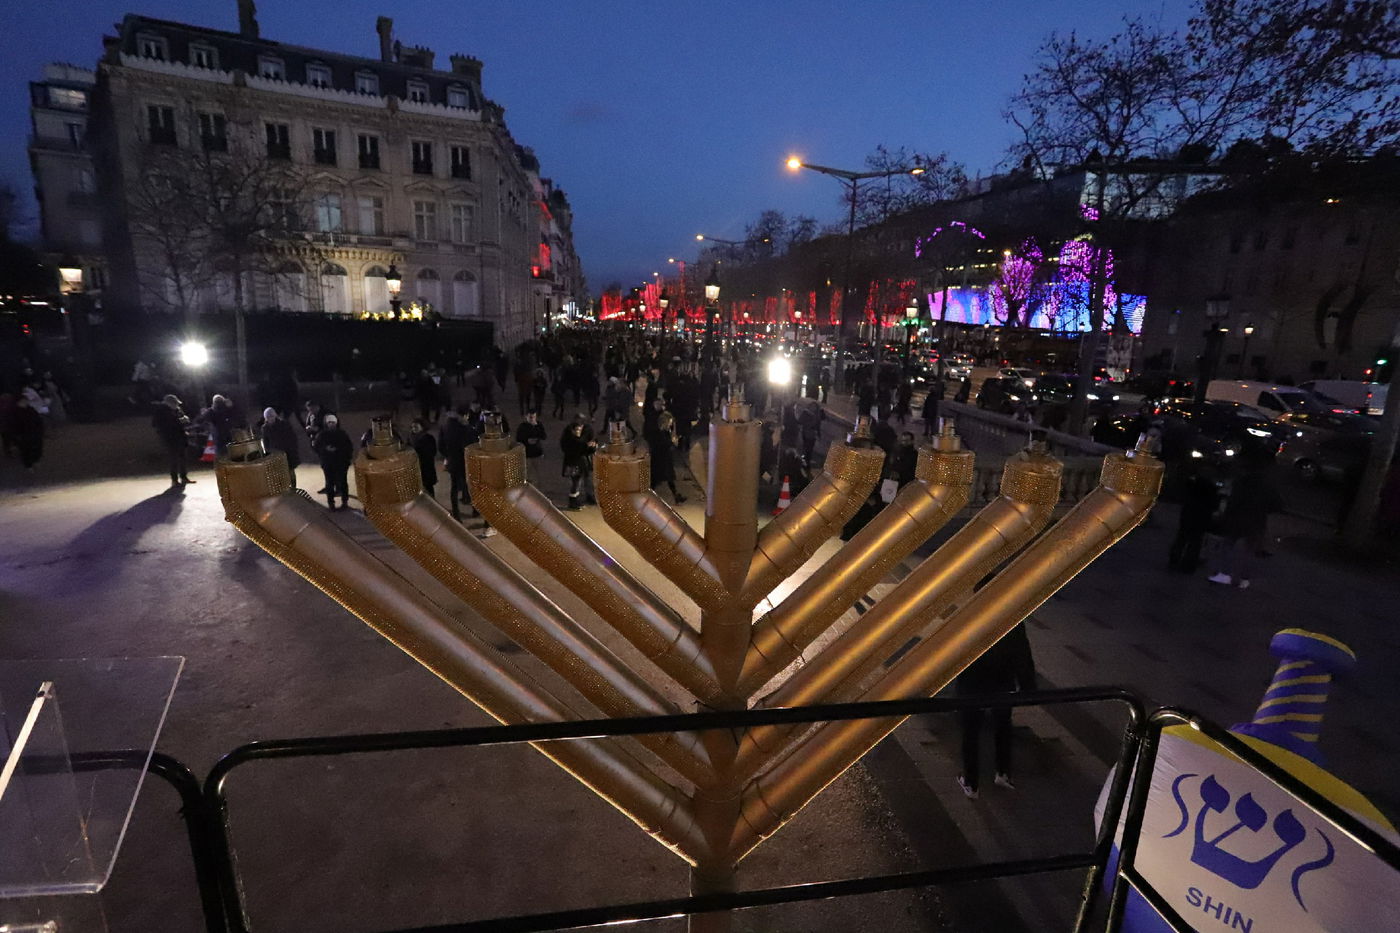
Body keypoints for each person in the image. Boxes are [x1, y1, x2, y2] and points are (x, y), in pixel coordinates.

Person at [955, 623, 1036, 799]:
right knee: (1003, 725)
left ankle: (971, 782)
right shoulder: (1010, 611)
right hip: (1002, 680)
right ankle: (1003, 772)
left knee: (971, 732)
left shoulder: (973, 612)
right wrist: (1028, 685)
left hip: (974, 682)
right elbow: (1021, 649)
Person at [1207, 451, 1281, 590]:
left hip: (1238, 518)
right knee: (1249, 550)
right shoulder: (1268, 485)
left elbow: (1234, 501)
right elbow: (1277, 504)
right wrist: (1263, 509)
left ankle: (1225, 573)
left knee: (1228, 545)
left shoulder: (1242, 481)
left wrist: (1225, 516)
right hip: (1257, 520)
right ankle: (1243, 579)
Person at [1168, 465, 1219, 573]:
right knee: (1195, 541)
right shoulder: (1211, 487)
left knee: (1182, 538)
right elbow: (1214, 504)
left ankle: (1174, 560)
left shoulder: (1193, 483)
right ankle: (1188, 565)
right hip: (1202, 516)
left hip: (1189, 513)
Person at [840, 489, 884, 614]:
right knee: (851, 565)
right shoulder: (858, 500)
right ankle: (850, 589)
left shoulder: (876, 500)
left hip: (863, 538)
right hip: (853, 537)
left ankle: (855, 589)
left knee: (859, 566)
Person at [312, 413, 353, 511]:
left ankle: (344, 502)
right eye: (329, 422)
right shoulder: (322, 435)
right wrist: (325, 449)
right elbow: (316, 447)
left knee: (343, 482)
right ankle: (331, 503)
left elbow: (349, 447)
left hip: (341, 462)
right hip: (328, 463)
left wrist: (339, 451)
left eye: (333, 422)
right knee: (329, 483)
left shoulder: (342, 434)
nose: (331, 424)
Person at [152, 394, 194, 488]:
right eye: (174, 403)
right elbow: (159, 424)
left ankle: (183, 477)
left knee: (182, 457)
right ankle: (174, 480)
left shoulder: (177, 410)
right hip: (169, 438)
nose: (176, 405)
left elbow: (181, 419)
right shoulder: (160, 411)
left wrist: (184, 420)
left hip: (180, 436)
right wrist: (180, 420)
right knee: (173, 459)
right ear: (168, 403)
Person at [645, 411, 687, 504]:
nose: (670, 424)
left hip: (664, 458)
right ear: (664, 422)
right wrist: (672, 442)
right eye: (669, 422)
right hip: (659, 459)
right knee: (656, 479)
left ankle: (676, 496)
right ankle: (648, 496)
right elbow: (661, 444)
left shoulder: (665, 432)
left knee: (668, 478)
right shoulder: (658, 433)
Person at [438, 409, 470, 520]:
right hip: (464, 460)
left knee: (454, 487)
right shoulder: (463, 428)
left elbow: (440, 446)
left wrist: (447, 456)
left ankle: (456, 514)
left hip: (452, 461)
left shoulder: (445, 427)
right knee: (470, 484)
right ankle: (475, 509)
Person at [258, 407, 300, 486]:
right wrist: (268, 452)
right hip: (275, 454)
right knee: (279, 473)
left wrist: (292, 449)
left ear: (275, 416)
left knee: (290, 471)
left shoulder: (284, 424)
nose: (270, 418)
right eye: (268, 417)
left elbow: (292, 437)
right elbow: (265, 441)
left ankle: (294, 488)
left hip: (287, 452)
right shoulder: (265, 428)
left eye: (272, 416)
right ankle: (284, 488)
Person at [12, 394, 45, 472]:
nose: (25, 401)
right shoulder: (15, 412)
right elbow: (13, 425)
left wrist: (40, 430)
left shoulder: (31, 409)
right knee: (26, 450)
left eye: (26, 400)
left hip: (35, 433)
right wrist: (17, 436)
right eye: (23, 400)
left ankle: (36, 461)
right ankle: (28, 465)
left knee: (37, 447)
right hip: (24, 435)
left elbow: (38, 420)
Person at [515, 410, 546, 481]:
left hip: (537, 453)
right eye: (530, 417)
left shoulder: (539, 425)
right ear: (526, 417)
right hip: (527, 454)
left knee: (539, 474)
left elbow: (544, 436)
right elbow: (518, 439)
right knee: (527, 474)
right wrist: (526, 440)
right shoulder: (522, 426)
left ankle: (538, 488)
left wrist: (536, 428)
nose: (532, 419)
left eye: (534, 417)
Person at [410, 419, 438, 499]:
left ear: (422, 427)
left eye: (416, 426)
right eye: (412, 427)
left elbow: (433, 452)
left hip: (426, 468)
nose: (414, 428)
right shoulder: (411, 438)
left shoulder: (428, 438)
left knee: (429, 489)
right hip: (416, 469)